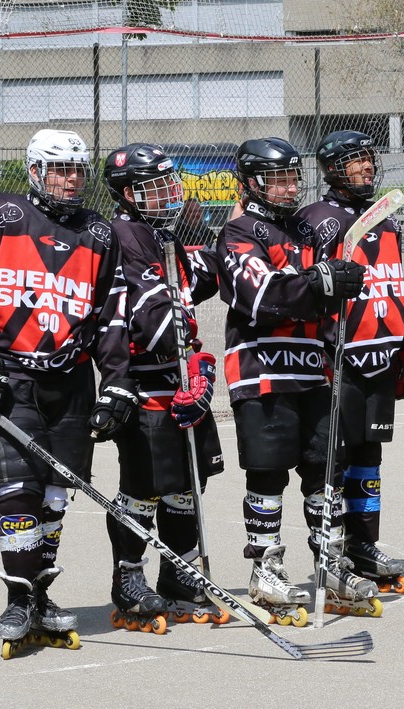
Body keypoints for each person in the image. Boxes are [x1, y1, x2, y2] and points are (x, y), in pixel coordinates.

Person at [0, 128, 135, 657]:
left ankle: (41, 594)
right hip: (10, 375)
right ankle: (19, 598)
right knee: (18, 490)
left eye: (77, 170)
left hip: (70, 380)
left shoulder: (99, 233)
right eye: (59, 169)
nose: (70, 180)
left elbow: (112, 312)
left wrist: (117, 380)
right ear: (34, 171)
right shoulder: (2, 215)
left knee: (54, 494)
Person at [215, 136, 376, 624]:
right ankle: (265, 568)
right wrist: (319, 283)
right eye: (277, 180)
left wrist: (340, 280)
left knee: (325, 470)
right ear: (250, 183)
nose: (288, 188)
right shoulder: (240, 232)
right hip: (262, 370)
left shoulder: (304, 231)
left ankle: (331, 565)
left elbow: (323, 291)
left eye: (292, 178)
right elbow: (263, 295)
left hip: (312, 370)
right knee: (268, 472)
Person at [101, 143, 228, 628]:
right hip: (144, 380)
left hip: (180, 378)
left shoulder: (163, 234)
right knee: (144, 486)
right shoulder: (122, 235)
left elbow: (197, 283)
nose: (168, 192)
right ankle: (129, 578)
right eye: (155, 186)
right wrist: (178, 339)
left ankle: (178, 575)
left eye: (168, 183)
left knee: (186, 484)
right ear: (128, 193)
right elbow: (148, 316)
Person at [298, 130, 404, 594]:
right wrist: (317, 347)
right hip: (339, 359)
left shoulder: (386, 220)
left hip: (381, 354)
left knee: (370, 456)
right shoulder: (316, 219)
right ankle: (330, 552)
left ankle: (363, 544)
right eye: (356, 160)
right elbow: (304, 288)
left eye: (370, 158)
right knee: (334, 458)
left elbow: (394, 285)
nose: (368, 166)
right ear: (333, 169)